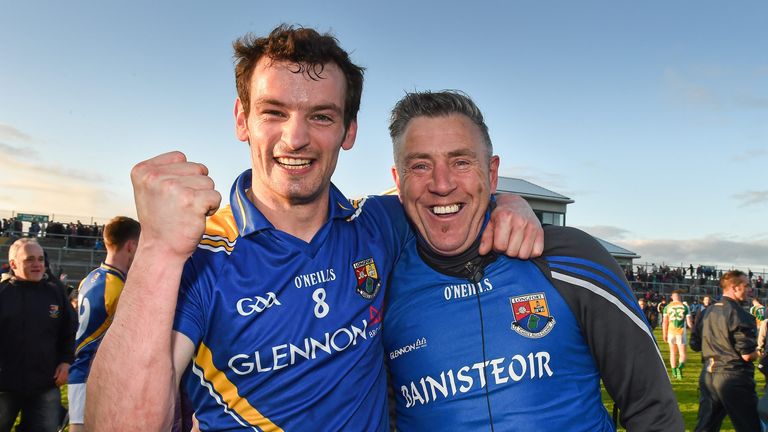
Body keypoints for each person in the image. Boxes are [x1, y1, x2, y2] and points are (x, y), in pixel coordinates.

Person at [86, 25, 542, 430]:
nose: (296, 138)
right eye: (274, 112)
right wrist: (157, 251)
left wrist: (507, 203)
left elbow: (446, 199)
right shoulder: (200, 257)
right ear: (242, 120)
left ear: (349, 131)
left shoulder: (379, 223)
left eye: (321, 116)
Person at [381, 90, 683, 431]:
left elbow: (652, 408)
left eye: (461, 162)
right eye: (420, 165)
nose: (442, 184)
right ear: (398, 181)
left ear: (492, 173)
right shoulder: (381, 291)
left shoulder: (571, 258)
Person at [68, 216, 141, 431]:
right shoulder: (118, 288)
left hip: (79, 372)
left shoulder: (90, 277)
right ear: (131, 246)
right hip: (95, 377)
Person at [0, 238, 76, 432]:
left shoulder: (55, 292)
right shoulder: (3, 293)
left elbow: (69, 329)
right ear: (13, 264)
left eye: (41, 259)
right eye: (29, 259)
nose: (37, 264)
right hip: (4, 386)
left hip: (45, 384)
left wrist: (66, 361)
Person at [690, 270, 760, 431]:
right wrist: (760, 352)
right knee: (750, 426)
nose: (749, 289)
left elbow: (695, 345)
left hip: (708, 375)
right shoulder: (741, 315)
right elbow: (747, 355)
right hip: (733, 376)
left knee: (706, 426)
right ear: (734, 288)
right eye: (746, 285)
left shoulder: (706, 312)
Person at [662, 290, 693, 379]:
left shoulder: (667, 307)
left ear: (672, 297)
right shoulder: (685, 307)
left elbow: (665, 322)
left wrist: (664, 334)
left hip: (671, 332)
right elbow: (689, 323)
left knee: (672, 353)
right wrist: (693, 331)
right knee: (682, 353)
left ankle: (674, 372)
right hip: (681, 332)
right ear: (680, 296)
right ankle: (680, 367)